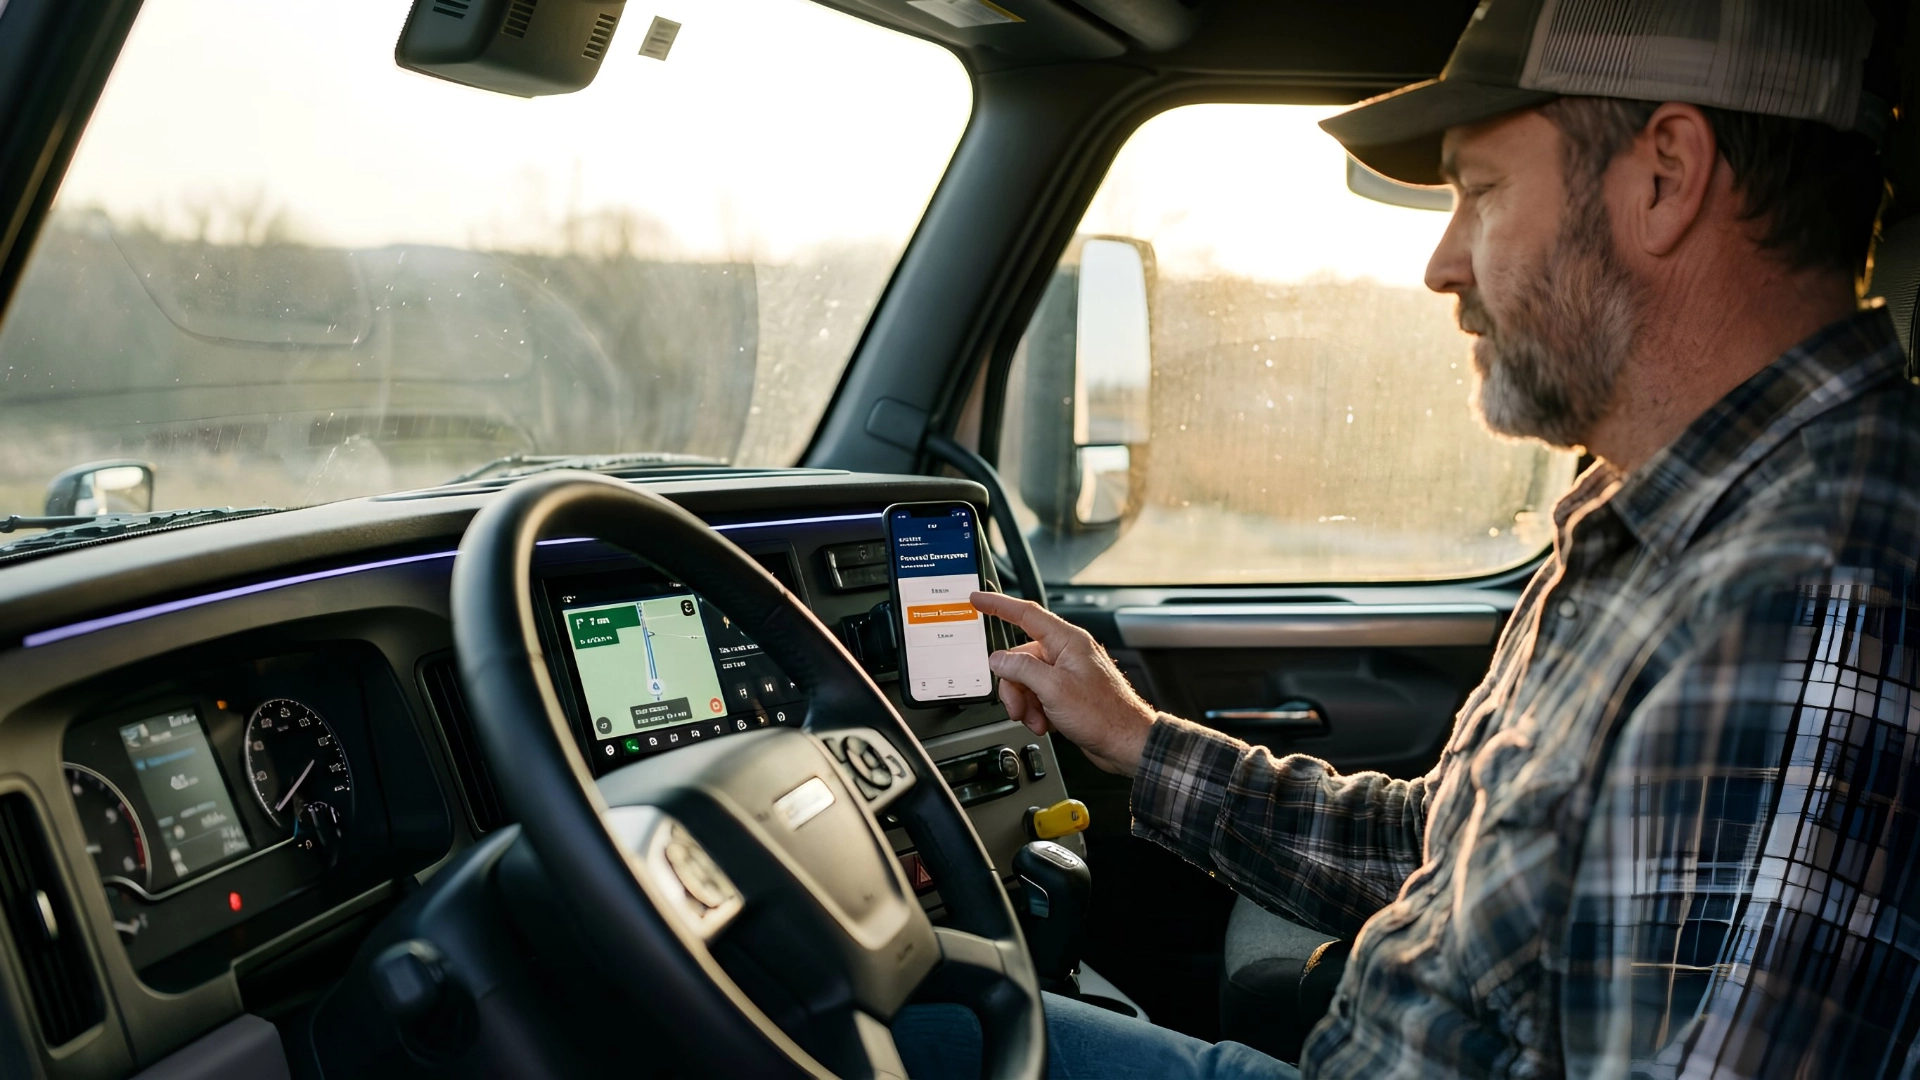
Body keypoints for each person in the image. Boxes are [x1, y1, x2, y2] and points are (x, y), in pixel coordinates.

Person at [892, 0, 1920, 1076]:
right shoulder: (1663, 518)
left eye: (1480, 192)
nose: (1443, 263)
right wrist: (1136, 740)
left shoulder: (1815, 589)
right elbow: (1446, 852)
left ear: (1664, 175)